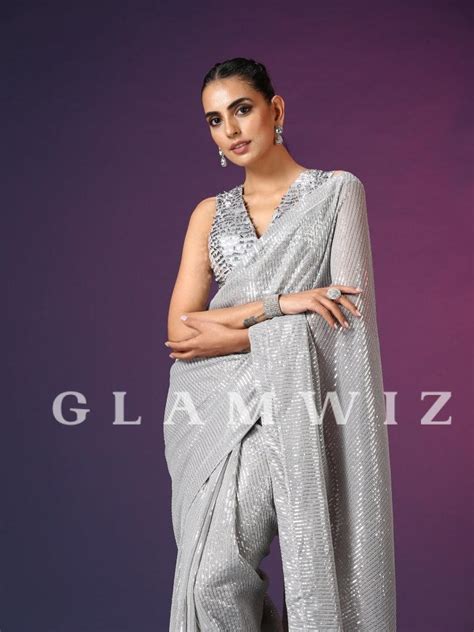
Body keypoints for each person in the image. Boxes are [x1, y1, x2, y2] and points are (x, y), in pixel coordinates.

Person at [163, 57, 396, 631]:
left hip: (294, 405)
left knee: (220, 574)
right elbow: (181, 333)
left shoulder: (336, 193)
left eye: (242, 109)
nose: (231, 130)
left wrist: (225, 329)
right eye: (215, 120)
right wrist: (281, 305)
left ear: (276, 109)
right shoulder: (208, 214)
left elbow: (344, 323)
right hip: (209, 414)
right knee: (208, 578)